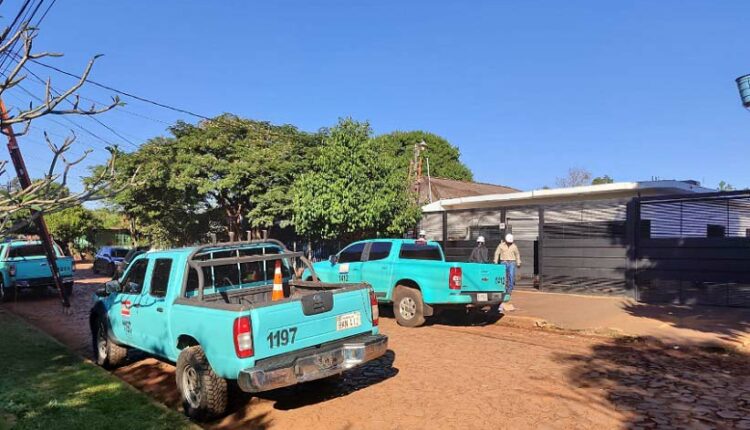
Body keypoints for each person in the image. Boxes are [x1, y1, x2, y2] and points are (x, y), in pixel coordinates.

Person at [494, 233, 521, 310]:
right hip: (503, 262)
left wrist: (518, 262)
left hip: (512, 262)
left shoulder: (514, 246)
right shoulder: (501, 245)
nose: (510, 243)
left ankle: (509, 291)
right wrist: (496, 261)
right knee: (502, 277)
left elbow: (517, 254)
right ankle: (502, 289)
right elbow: (497, 253)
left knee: (511, 277)